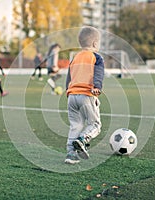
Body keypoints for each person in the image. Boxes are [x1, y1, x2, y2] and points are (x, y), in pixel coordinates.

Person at [65, 26, 104, 164]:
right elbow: (98, 72)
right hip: (87, 94)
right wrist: (97, 87)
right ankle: (82, 139)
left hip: (72, 96)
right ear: (94, 44)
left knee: (75, 125)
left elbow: (69, 76)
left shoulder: (75, 57)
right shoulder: (96, 57)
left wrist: (67, 91)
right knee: (95, 125)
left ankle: (70, 154)